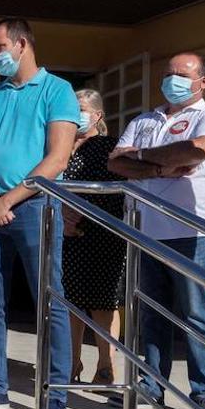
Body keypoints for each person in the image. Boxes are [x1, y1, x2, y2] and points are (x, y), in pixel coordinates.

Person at [0, 18, 78, 409]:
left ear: (22, 44)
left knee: (49, 300)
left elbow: (57, 159)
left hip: (33, 208)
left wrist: (8, 199)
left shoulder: (56, 91)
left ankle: (55, 394)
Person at [108, 52, 205, 409]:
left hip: (191, 231)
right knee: (151, 311)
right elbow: (116, 162)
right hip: (146, 229)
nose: (172, 80)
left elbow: (196, 151)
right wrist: (164, 165)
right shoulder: (145, 119)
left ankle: (203, 396)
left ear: (203, 82)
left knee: (196, 314)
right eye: (168, 74)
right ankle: (151, 383)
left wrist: (143, 160)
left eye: (182, 74)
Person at [60, 89, 125, 386]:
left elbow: (116, 194)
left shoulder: (109, 147)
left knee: (103, 302)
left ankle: (105, 365)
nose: (77, 114)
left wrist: (81, 215)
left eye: (82, 109)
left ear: (97, 115)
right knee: (68, 301)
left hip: (102, 235)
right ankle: (70, 362)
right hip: (63, 234)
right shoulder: (59, 145)